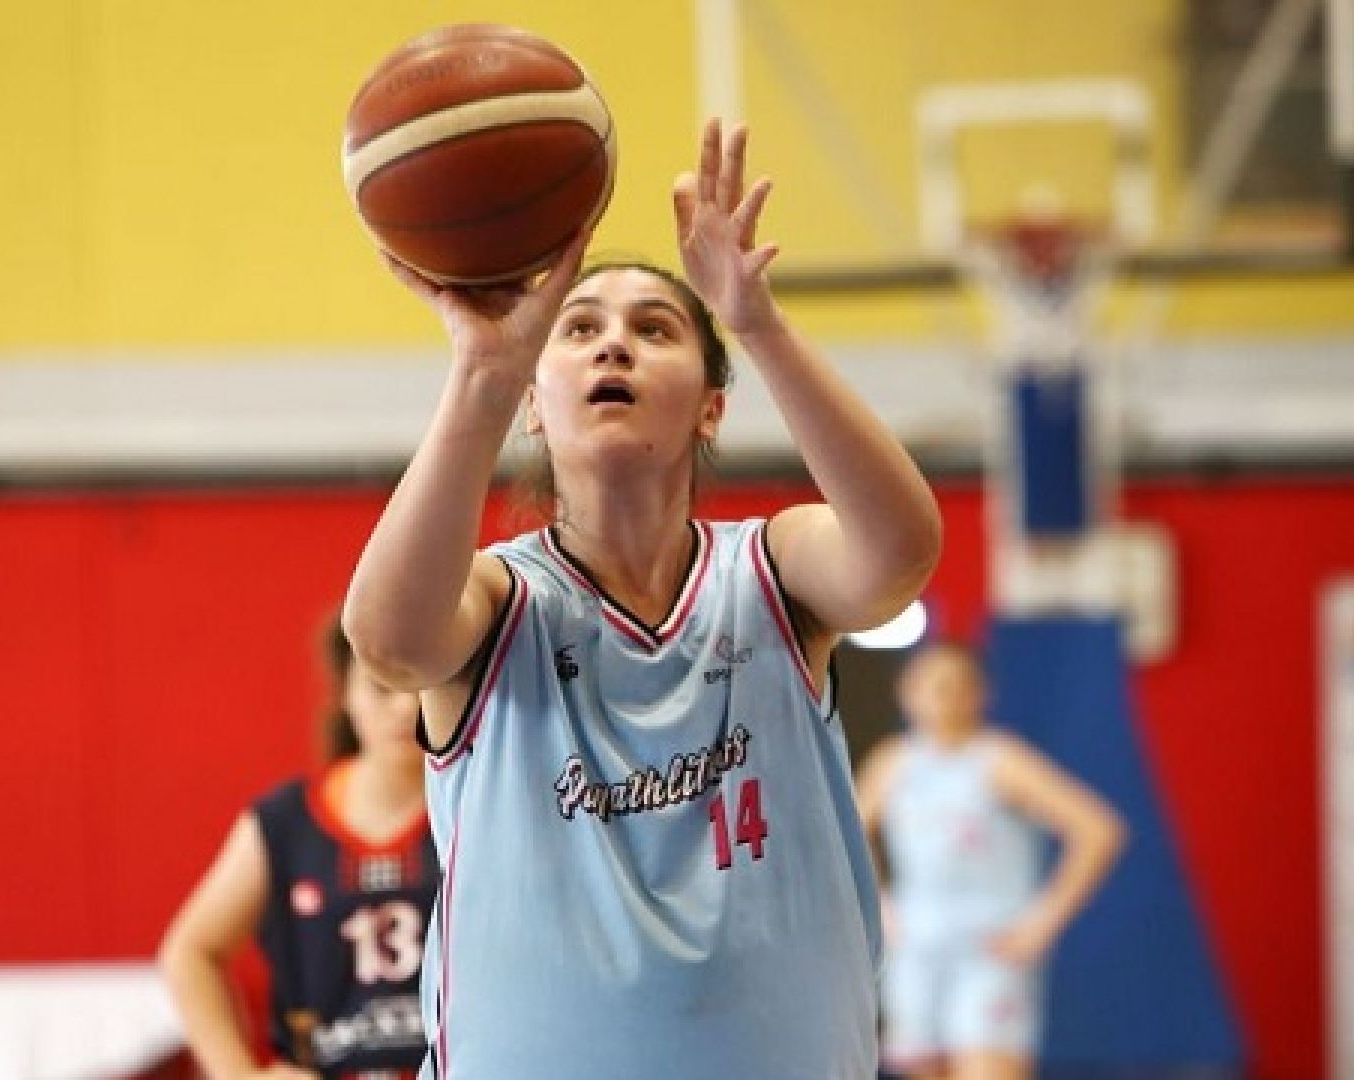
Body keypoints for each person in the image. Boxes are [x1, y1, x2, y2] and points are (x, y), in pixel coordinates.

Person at [342, 117, 944, 1080]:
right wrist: (484, 371)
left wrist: (756, 322)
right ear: (535, 403)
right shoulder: (501, 597)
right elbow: (388, 642)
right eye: (579, 329)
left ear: (711, 406)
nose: (613, 344)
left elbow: (899, 555)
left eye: (654, 329)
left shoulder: (773, 570)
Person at [161, 620, 434, 1080]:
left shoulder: (481, 812)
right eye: (383, 688)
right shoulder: (286, 822)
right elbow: (189, 951)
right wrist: (237, 1074)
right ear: (345, 694)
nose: (407, 706)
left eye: (425, 687)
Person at [856, 642, 1126, 1080]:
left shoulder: (1002, 760)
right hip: (918, 950)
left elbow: (1098, 830)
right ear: (906, 692)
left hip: (988, 950)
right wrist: (880, 906)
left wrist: (1043, 920)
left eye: (953, 686)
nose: (940, 697)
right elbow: (849, 837)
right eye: (929, 685)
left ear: (979, 693)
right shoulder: (892, 763)